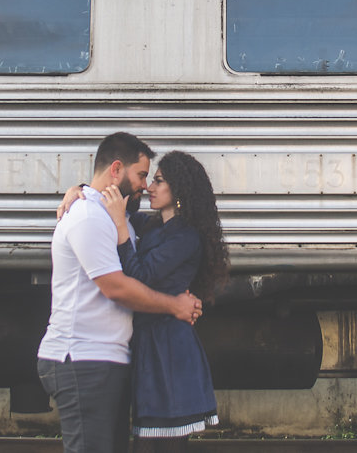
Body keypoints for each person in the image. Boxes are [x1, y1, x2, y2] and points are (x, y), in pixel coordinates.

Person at [37, 133, 202, 453]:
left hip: (105, 358)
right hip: (82, 357)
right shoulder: (88, 216)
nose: (145, 185)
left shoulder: (117, 216)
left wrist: (79, 188)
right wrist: (174, 306)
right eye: (142, 175)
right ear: (116, 169)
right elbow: (117, 287)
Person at [66, 150, 229, 453]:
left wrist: (119, 227)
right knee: (146, 442)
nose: (149, 188)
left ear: (179, 189)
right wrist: (77, 191)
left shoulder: (185, 237)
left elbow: (139, 276)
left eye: (159, 181)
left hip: (168, 352)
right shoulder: (154, 225)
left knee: (157, 445)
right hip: (150, 346)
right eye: (150, 180)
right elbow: (109, 205)